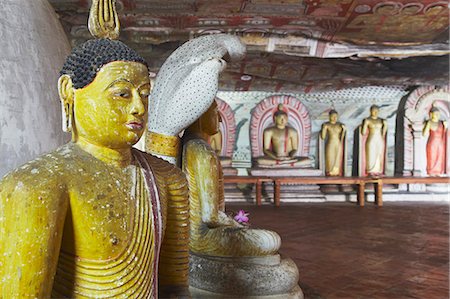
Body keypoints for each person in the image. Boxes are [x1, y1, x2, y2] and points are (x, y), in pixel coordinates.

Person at [0, 37, 193, 298]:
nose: (138, 107)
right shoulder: (36, 185)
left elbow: (174, 288)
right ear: (69, 90)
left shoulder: (168, 179)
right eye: (122, 94)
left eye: (144, 95)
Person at [182, 102, 281, 257]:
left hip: (193, 232)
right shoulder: (202, 151)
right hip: (201, 237)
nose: (220, 119)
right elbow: (210, 217)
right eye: (215, 113)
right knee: (270, 240)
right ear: (199, 116)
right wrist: (236, 224)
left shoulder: (189, 144)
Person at [361, 105, 387, 176]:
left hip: (379, 139)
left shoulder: (381, 120)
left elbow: (383, 133)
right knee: (371, 154)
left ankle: (378, 171)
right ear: (370, 111)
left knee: (379, 154)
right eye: (373, 111)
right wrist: (365, 124)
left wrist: (385, 125)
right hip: (371, 139)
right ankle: (370, 171)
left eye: (377, 111)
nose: (375, 112)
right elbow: (363, 132)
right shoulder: (367, 120)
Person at [320, 110, 346, 176]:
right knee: (330, 158)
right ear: (329, 116)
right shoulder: (327, 125)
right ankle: (329, 172)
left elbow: (342, 137)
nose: (334, 118)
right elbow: (323, 137)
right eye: (333, 116)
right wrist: (324, 128)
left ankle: (336, 172)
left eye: (336, 116)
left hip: (338, 143)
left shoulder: (340, 125)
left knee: (337, 159)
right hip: (330, 143)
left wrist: (344, 130)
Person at [423, 107, 447, 176]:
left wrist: (446, 126)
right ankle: (431, 172)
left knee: (440, 157)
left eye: (438, 114)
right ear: (431, 114)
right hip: (432, 142)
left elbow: (445, 133)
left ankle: (438, 172)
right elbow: (424, 134)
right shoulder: (430, 122)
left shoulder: (442, 123)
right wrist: (427, 124)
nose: (437, 115)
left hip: (440, 143)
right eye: (435, 113)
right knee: (432, 158)